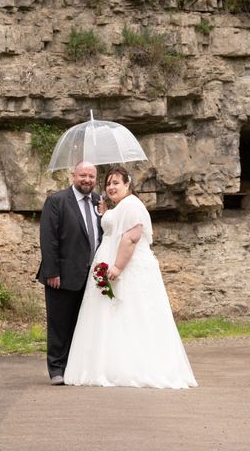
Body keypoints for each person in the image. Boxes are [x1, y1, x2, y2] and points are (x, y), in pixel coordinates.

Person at [64, 165, 197, 389]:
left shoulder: (132, 205)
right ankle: (108, 365)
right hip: (108, 267)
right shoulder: (120, 207)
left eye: (116, 182)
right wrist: (107, 214)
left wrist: (117, 267)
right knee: (112, 318)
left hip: (126, 270)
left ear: (128, 184)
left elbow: (131, 239)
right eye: (108, 183)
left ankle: (134, 367)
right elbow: (115, 229)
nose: (111, 187)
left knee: (132, 314)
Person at [36, 161, 102, 385]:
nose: (87, 180)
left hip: (91, 276)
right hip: (62, 275)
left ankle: (75, 368)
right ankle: (56, 369)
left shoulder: (99, 201)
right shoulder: (57, 201)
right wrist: (52, 271)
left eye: (91, 176)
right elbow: (49, 238)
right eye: (83, 175)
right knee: (59, 323)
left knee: (83, 324)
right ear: (73, 176)